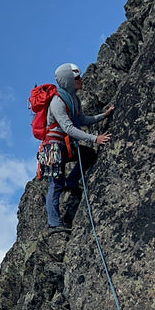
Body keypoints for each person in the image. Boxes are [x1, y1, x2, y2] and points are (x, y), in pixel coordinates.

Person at [40, 63, 115, 232]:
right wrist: (95, 138)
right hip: (52, 148)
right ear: (68, 81)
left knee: (88, 155)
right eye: (77, 78)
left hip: (61, 146)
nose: (81, 80)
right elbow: (68, 128)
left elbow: (80, 119)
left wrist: (103, 115)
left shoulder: (73, 98)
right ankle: (54, 224)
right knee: (56, 185)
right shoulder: (57, 101)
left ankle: (72, 182)